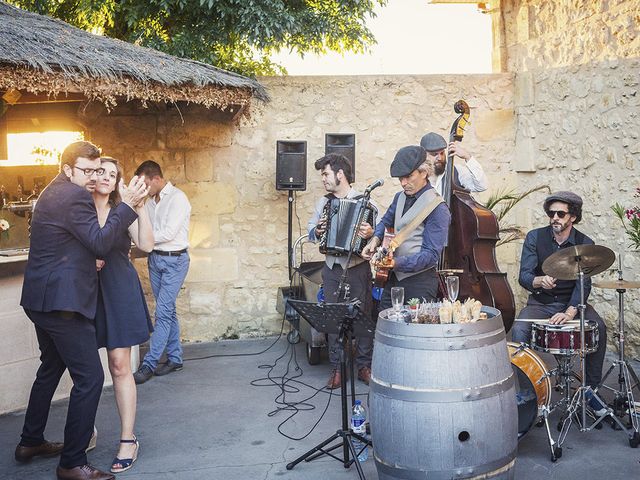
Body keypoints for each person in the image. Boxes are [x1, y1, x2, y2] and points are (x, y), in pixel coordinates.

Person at [16, 141, 147, 480]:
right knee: (90, 378)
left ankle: (30, 441)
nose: (92, 177)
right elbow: (100, 241)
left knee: (50, 367)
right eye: (86, 171)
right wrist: (129, 204)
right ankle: (72, 463)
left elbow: (77, 242)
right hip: (62, 303)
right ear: (67, 170)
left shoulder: (52, 192)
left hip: (41, 300)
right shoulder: (74, 196)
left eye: (96, 171)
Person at [511, 191, 608, 414]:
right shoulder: (535, 237)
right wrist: (538, 280)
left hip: (570, 304)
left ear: (572, 216)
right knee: (519, 330)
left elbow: (584, 284)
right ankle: (529, 395)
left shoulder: (585, 243)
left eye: (560, 213)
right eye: (551, 213)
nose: (554, 217)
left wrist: (571, 311)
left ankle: (591, 391)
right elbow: (524, 275)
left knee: (599, 328)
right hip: (540, 303)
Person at [92, 157, 154, 473]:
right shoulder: (79, 209)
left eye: (113, 174)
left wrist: (140, 207)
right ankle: (84, 431)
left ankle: (128, 439)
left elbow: (145, 244)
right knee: (84, 368)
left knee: (119, 365)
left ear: (119, 182)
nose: (106, 176)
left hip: (118, 289)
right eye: (100, 170)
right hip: (85, 294)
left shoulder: (122, 210)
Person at [307, 153, 375, 389]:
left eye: (325, 174)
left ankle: (364, 366)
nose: (323, 179)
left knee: (363, 317)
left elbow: (380, 234)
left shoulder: (365, 202)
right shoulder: (322, 203)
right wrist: (318, 229)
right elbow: (310, 233)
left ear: (340, 174)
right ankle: (337, 367)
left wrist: (370, 234)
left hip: (358, 268)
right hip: (332, 269)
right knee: (333, 319)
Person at [362, 145, 451, 308]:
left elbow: (431, 255)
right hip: (392, 280)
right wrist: (374, 240)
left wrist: (395, 263)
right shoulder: (398, 198)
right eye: (400, 178)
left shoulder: (438, 208)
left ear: (424, 172)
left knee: (414, 332)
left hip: (420, 284)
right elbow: (385, 222)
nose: (403, 183)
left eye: (408, 177)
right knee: (385, 328)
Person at [133, 160, 191, 384]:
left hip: (175, 261)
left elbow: (167, 233)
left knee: (163, 313)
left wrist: (142, 238)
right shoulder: (149, 202)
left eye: (145, 184)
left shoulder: (178, 198)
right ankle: (175, 358)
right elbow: (142, 226)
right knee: (169, 311)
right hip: (155, 260)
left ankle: (149, 364)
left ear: (156, 179)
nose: (144, 189)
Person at [420, 132, 488, 196]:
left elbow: (481, 186)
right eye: (434, 154)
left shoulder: (457, 171)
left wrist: (467, 157)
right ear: (423, 155)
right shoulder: (417, 175)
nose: (440, 158)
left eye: (442, 153)